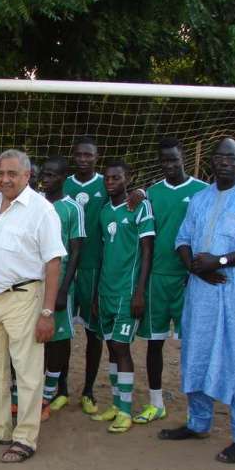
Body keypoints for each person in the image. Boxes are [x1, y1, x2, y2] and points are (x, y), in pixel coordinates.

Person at [159, 137, 235, 464]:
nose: (225, 162)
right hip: (200, 296)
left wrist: (219, 262)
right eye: (220, 157)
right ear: (211, 161)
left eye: (232, 157)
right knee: (194, 356)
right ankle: (198, 423)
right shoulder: (199, 198)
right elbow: (183, 239)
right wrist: (195, 268)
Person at [0, 149, 65, 463]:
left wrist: (47, 313)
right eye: (1, 173)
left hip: (23, 298)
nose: (4, 179)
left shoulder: (41, 210)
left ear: (27, 176)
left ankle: (25, 438)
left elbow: (54, 262)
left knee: (28, 371)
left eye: (12, 174)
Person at [135, 139, 207, 423]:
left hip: (190, 279)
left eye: (174, 160)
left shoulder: (202, 191)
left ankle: (196, 409)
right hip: (157, 278)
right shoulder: (151, 193)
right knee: (154, 343)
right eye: (164, 160)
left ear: (183, 158)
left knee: (192, 345)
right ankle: (156, 403)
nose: (170, 165)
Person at [89, 161, 154, 434]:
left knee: (121, 346)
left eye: (117, 177)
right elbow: (103, 254)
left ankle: (126, 410)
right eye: (108, 177)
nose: (111, 181)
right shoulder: (105, 211)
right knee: (112, 348)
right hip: (106, 290)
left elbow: (147, 250)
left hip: (128, 293)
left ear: (129, 178)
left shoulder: (140, 206)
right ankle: (116, 404)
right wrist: (95, 293)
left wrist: (139, 292)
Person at [37, 157, 84, 417]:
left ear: (63, 178)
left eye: (53, 174)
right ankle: (34, 391)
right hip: (35, 283)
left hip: (61, 281)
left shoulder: (72, 208)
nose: (46, 178)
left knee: (59, 338)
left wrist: (64, 289)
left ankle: (49, 394)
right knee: (37, 337)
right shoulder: (36, 203)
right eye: (44, 173)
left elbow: (76, 251)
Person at [62, 137, 106, 415]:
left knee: (94, 332)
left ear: (96, 157)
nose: (83, 159)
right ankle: (61, 387)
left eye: (88, 155)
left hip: (94, 268)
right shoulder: (62, 183)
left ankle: (88, 390)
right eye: (78, 154)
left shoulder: (107, 183)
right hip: (65, 268)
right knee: (61, 332)